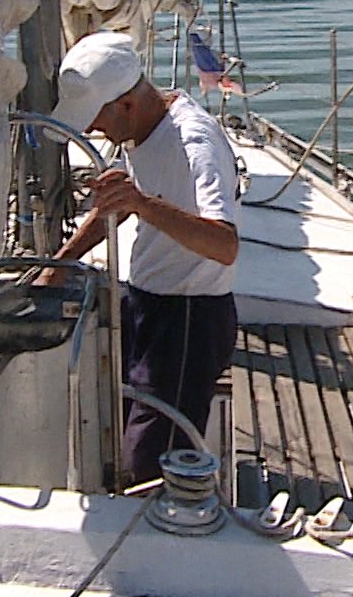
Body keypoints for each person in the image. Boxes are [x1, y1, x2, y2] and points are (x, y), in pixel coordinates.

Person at [46, 31, 240, 485]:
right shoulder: (142, 130)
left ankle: (160, 523)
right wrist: (59, 265)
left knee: (150, 464)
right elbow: (117, 205)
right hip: (147, 308)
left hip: (189, 321)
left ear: (127, 104)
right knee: (129, 430)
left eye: (96, 121)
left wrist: (142, 204)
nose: (91, 132)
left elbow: (225, 245)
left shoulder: (194, 143)